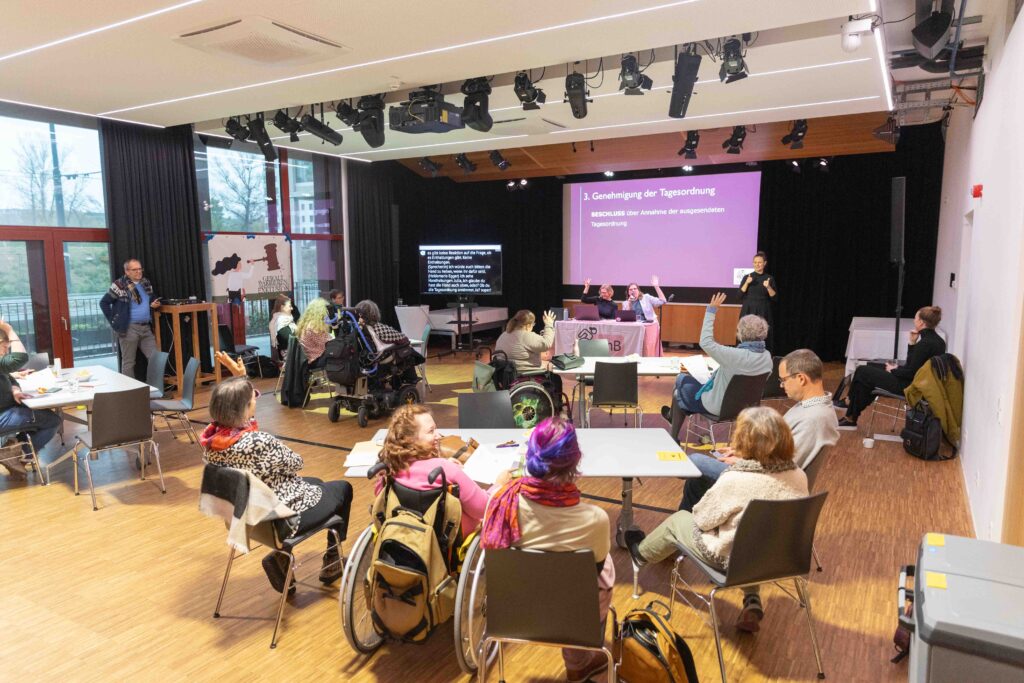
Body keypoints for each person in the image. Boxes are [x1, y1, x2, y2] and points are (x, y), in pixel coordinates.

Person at [626, 407, 809, 633]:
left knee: (680, 520)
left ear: (744, 440)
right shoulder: (799, 476)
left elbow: (702, 519)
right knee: (754, 537)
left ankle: (641, 553)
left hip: (733, 561)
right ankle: (752, 598)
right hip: (780, 557)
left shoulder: (736, 479)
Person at [481, 417, 613, 683]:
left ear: (530, 457)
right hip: (574, 616)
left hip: (512, 611)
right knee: (604, 568)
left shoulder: (501, 502)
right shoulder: (595, 519)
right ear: (575, 461)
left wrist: (498, 484)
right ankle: (578, 663)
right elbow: (595, 569)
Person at [202, 375, 353, 592]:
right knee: (343, 489)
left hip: (246, 517)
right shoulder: (259, 442)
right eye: (252, 398)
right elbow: (297, 462)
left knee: (317, 482)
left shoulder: (213, 441)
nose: (256, 400)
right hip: (283, 521)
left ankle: (283, 560)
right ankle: (331, 559)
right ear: (243, 408)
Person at [678, 348, 839, 511]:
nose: (781, 385)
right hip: (764, 476)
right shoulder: (813, 408)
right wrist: (745, 453)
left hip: (766, 485)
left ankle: (685, 518)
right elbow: (778, 450)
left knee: (695, 462)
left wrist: (744, 462)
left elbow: (784, 469)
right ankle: (687, 519)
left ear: (801, 378)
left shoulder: (813, 419)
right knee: (697, 479)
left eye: (783, 380)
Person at [378, 404, 506, 537]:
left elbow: (382, 501)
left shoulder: (390, 468)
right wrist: (499, 485)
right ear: (410, 439)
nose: (438, 435)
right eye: (431, 431)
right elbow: (483, 508)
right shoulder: (446, 469)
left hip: (406, 534)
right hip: (452, 539)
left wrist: (444, 464)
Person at [662, 293, 773, 442]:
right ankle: (672, 418)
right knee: (684, 389)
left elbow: (706, 342)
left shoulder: (733, 355)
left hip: (718, 407)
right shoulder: (767, 357)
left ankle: (673, 433)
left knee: (680, 383)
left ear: (741, 333)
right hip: (747, 408)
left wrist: (711, 311)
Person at [839, 306, 946, 427]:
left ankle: (849, 404)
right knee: (865, 377)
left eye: (915, 318)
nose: (914, 321)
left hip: (909, 386)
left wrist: (893, 370)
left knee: (862, 371)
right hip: (919, 384)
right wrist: (912, 343)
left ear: (921, 322)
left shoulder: (925, 344)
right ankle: (850, 414)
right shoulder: (939, 342)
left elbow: (911, 373)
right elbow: (913, 367)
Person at [0, 322, 61, 478]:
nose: (6, 351)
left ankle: (13, 450)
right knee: (52, 420)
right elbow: (19, 358)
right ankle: (17, 454)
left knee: (42, 416)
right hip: (3, 416)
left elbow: (9, 377)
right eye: (5, 347)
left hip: (7, 410)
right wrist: (8, 329)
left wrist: (15, 390)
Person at [99, 258, 161, 379]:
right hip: (129, 328)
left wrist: (154, 303)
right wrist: (114, 321)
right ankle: (130, 390)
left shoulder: (145, 282)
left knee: (155, 359)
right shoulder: (119, 285)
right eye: (135, 269)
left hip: (146, 327)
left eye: (140, 269)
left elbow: (151, 298)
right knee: (129, 363)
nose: (139, 272)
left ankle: (155, 388)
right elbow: (104, 303)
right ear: (127, 272)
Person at [494, 310, 562, 397]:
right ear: (528, 325)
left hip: (504, 376)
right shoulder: (526, 336)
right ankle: (557, 404)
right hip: (524, 375)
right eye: (533, 324)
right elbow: (546, 344)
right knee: (555, 378)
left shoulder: (503, 335)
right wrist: (549, 324)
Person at [738, 252, 777, 348]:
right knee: (746, 332)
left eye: (759, 262)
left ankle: (763, 353)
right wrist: (747, 283)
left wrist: (768, 287)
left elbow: (774, 297)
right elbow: (739, 295)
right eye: (755, 262)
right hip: (748, 309)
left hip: (763, 309)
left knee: (762, 333)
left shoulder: (769, 278)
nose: (757, 264)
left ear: (764, 263)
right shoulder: (747, 277)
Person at [295, 298, 332, 369]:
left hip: (311, 359)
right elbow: (327, 344)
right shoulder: (314, 327)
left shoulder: (307, 324)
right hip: (315, 360)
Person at [268, 294, 296, 361]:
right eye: (290, 306)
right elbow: (289, 341)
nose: (292, 308)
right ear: (282, 307)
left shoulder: (287, 320)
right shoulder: (280, 322)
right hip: (290, 359)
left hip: (292, 356)